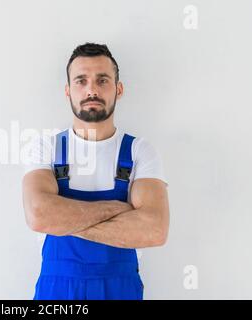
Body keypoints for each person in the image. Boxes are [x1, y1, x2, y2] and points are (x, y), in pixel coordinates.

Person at [22, 42, 170, 300]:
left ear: (118, 89)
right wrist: (119, 210)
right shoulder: (46, 147)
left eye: (102, 80)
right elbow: (39, 215)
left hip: (120, 290)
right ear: (68, 91)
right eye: (81, 80)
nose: (91, 89)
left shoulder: (139, 151)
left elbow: (155, 230)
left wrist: (62, 220)